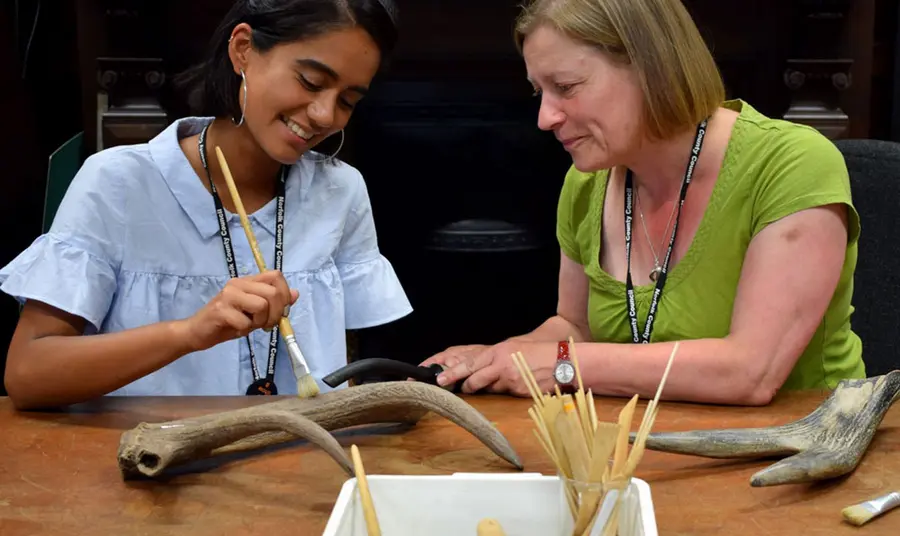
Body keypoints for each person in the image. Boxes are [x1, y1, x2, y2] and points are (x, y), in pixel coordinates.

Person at [421, 0, 866, 406]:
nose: (545, 117)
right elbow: (576, 328)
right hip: (651, 451)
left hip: (810, 459)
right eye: (540, 92)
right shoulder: (585, 182)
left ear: (652, 67)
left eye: (566, 86)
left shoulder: (793, 164)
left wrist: (563, 364)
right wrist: (498, 359)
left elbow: (751, 371)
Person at [0, 0, 412, 409]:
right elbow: (28, 374)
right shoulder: (119, 183)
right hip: (146, 464)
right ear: (243, 49)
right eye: (310, 81)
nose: (325, 114)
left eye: (348, 101)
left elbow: (358, 368)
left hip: (298, 465)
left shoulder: (340, 191)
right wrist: (190, 332)